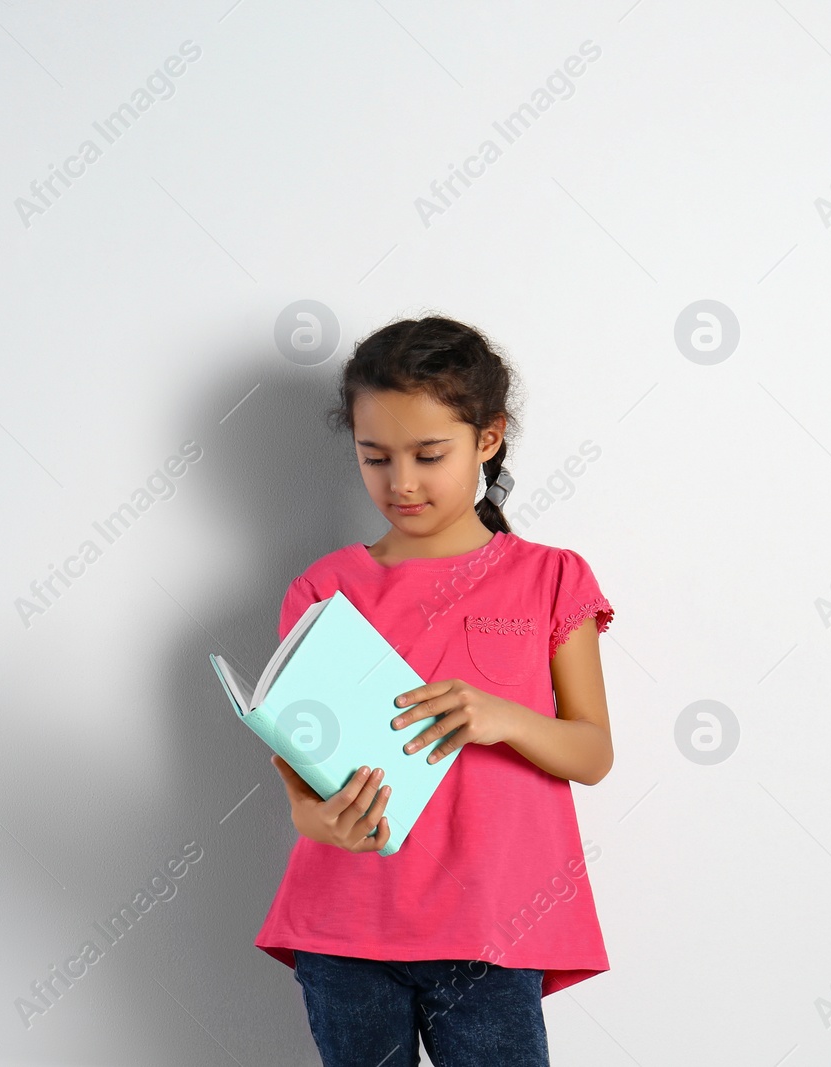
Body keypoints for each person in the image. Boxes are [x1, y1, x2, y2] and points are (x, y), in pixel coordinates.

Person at [260, 315, 616, 1066]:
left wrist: (502, 716)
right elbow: (296, 754)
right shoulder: (322, 588)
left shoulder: (551, 578)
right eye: (375, 456)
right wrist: (311, 818)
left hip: (492, 923)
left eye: (429, 454)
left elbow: (591, 752)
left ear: (489, 438)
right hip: (345, 929)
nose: (403, 482)